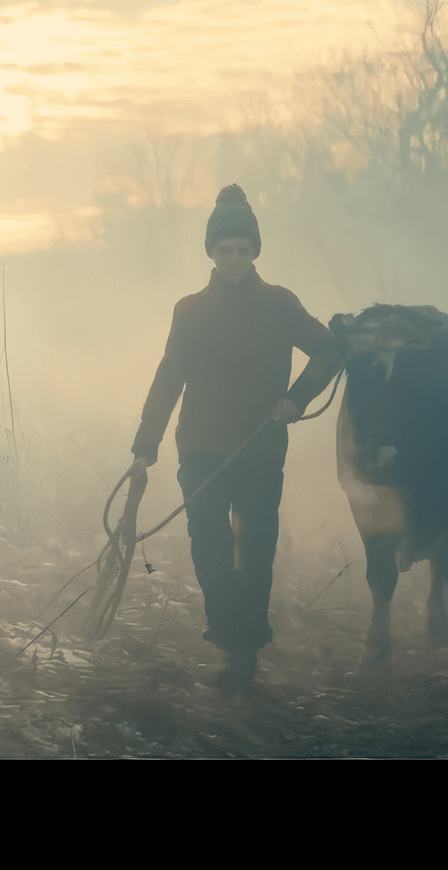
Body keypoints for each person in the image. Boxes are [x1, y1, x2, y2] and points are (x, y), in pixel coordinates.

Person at [126, 184, 342, 692]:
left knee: (257, 548)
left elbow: (330, 351)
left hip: (261, 450)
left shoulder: (280, 304)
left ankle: (244, 650)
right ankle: (230, 640)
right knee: (210, 548)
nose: (234, 258)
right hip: (199, 452)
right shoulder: (190, 310)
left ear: (255, 252)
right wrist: (143, 448)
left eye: (243, 250)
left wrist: (297, 398)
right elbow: (167, 381)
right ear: (211, 252)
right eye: (225, 250)